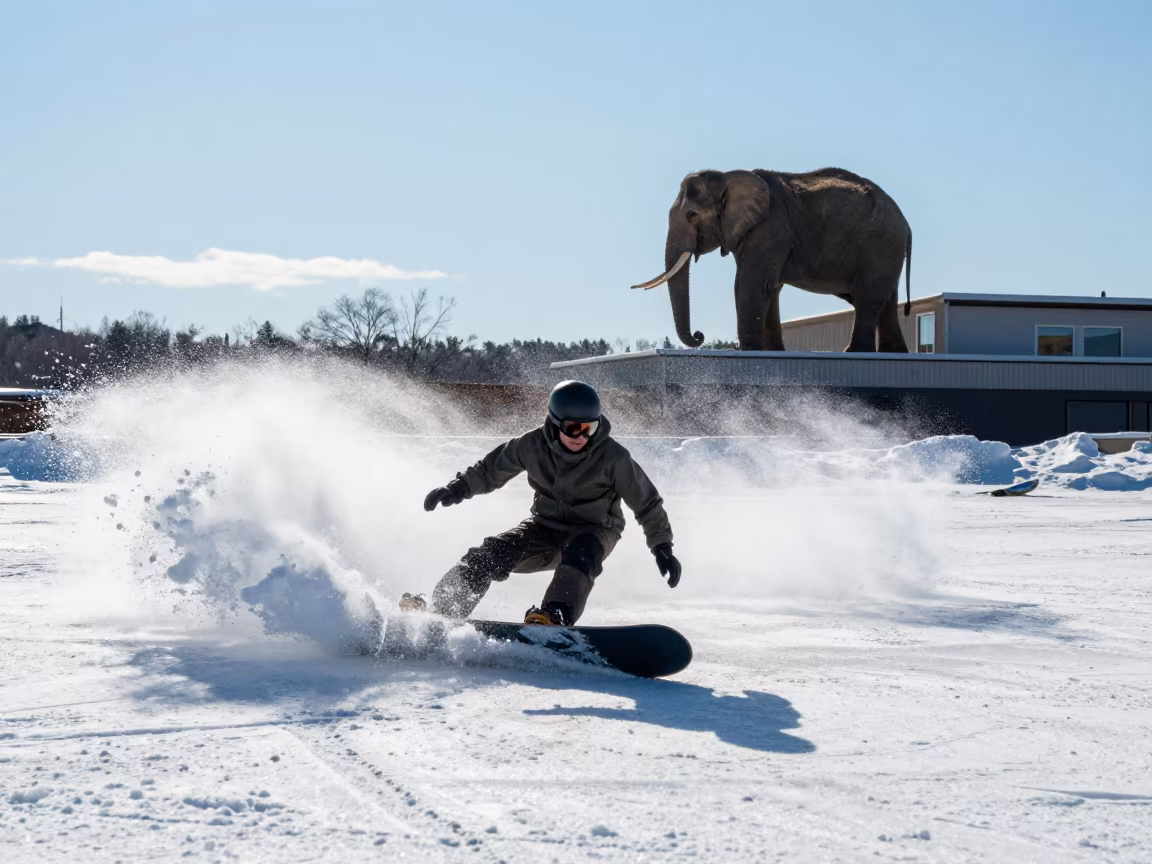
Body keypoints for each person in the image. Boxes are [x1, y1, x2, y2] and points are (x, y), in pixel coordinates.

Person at [405, 380, 681, 626]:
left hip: (595, 530)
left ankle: (554, 615)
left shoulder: (614, 458)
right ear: (555, 421)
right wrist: (458, 488)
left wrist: (662, 547)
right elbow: (491, 470)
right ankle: (445, 606)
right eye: (573, 428)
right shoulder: (530, 444)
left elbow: (647, 503)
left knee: (581, 554)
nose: (581, 437)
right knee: (491, 552)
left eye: (589, 428)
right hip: (544, 526)